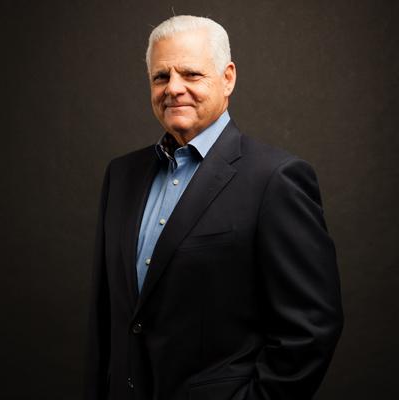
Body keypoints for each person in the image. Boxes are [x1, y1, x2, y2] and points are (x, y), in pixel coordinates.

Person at [84, 15, 343, 400]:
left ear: (228, 78)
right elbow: (106, 318)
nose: (174, 88)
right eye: (160, 76)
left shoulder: (275, 179)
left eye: (191, 73)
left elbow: (311, 329)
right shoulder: (121, 175)